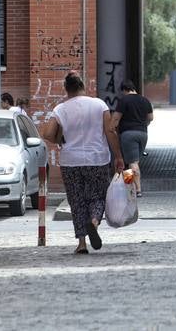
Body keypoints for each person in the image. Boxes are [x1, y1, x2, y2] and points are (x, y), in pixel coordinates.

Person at [41, 70, 124, 255]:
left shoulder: (61, 109)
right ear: (83, 86)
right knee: (98, 196)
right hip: (98, 159)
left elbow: (47, 134)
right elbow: (110, 132)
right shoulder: (99, 105)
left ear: (66, 89)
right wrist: (118, 156)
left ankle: (81, 244)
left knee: (76, 201)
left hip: (70, 161)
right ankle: (93, 222)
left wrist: (59, 139)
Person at [111, 80, 153, 197]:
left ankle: (137, 189)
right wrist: (143, 125)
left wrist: (111, 130)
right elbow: (150, 117)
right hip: (143, 134)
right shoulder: (145, 100)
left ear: (124, 90)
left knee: (132, 162)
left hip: (128, 134)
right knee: (132, 162)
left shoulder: (124, 100)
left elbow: (115, 119)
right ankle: (129, 186)